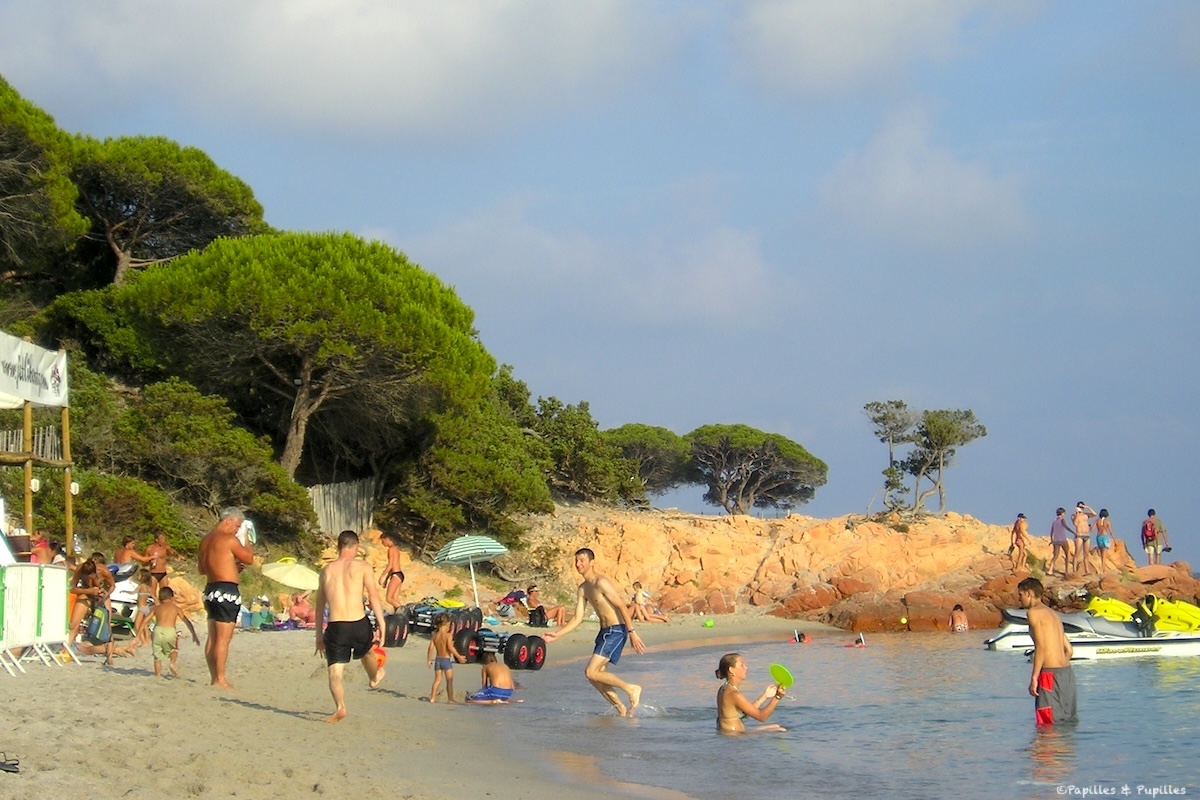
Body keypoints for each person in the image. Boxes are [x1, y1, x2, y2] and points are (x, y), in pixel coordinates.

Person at [543, 548, 645, 716]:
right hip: (604, 632)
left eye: (582, 560)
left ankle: (630, 688)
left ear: (591, 563)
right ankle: (621, 708)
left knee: (590, 671)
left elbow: (621, 606)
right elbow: (577, 618)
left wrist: (632, 632)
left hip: (617, 631)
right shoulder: (583, 588)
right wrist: (558, 634)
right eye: (576, 561)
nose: (578, 564)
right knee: (594, 676)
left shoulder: (601, 582)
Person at [314, 529, 387, 723]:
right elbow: (373, 596)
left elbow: (320, 606)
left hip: (336, 626)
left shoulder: (326, 571)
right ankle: (375, 676)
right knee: (368, 653)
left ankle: (340, 707)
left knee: (335, 672)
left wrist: (319, 637)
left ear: (338, 547)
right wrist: (382, 624)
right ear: (355, 546)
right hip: (358, 622)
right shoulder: (362, 566)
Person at [197, 507, 253, 689]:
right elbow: (249, 558)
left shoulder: (206, 540)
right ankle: (220, 678)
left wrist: (231, 568)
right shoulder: (228, 539)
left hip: (211, 589)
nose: (237, 529)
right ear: (228, 520)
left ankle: (214, 676)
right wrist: (245, 538)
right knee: (223, 639)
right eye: (237, 525)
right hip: (226, 590)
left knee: (213, 637)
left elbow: (203, 569)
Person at [1018, 577, 1077, 725]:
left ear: (1029, 593)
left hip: (1049, 674)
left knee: (1047, 724)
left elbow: (1041, 647)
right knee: (1066, 722)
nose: (1019, 599)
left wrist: (1034, 677)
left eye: (1021, 594)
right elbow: (1069, 650)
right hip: (1066, 673)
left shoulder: (1034, 613)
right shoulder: (1052, 614)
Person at [714, 653, 786, 734]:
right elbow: (762, 717)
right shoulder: (734, 694)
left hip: (731, 734)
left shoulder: (724, 689)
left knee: (776, 727)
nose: (746, 668)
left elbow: (746, 713)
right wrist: (777, 697)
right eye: (742, 665)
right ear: (731, 670)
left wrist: (765, 696)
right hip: (735, 738)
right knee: (781, 731)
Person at [151, 586, 200, 678]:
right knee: (174, 649)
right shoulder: (176, 608)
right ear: (172, 597)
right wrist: (194, 635)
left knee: (157, 655)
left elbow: (145, 621)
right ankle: (172, 663)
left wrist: (138, 636)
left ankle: (157, 675)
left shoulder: (156, 608)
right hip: (170, 631)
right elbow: (186, 621)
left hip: (157, 631)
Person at [427, 613, 466, 702]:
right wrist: (459, 656)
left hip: (438, 660)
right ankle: (450, 699)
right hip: (446, 660)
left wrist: (429, 659)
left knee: (437, 680)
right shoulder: (448, 635)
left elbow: (430, 648)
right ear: (447, 624)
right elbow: (450, 647)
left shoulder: (435, 635)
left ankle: (432, 698)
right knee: (449, 681)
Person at [378, 531, 406, 612]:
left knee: (389, 598)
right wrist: (387, 579)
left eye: (383, 541)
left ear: (387, 539)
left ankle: (403, 612)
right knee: (394, 599)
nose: (382, 543)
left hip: (396, 575)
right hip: (399, 574)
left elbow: (390, 565)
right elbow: (394, 565)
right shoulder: (396, 549)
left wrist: (383, 576)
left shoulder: (391, 549)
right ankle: (397, 616)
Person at [145, 532, 179, 598]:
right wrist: (149, 561)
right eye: (162, 539)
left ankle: (163, 606)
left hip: (163, 573)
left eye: (164, 539)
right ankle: (154, 607)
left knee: (165, 594)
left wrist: (178, 556)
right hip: (153, 573)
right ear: (156, 540)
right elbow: (143, 562)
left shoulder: (165, 547)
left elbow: (173, 552)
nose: (163, 541)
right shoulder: (149, 549)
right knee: (152, 594)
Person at [1071, 502, 1097, 576]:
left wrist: (1087, 507)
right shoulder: (1074, 516)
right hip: (1079, 535)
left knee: (1086, 554)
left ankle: (1087, 570)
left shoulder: (1086, 515)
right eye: (1080, 507)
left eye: (1082, 507)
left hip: (1086, 535)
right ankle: (1074, 570)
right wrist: (1077, 514)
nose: (1081, 509)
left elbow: (1094, 514)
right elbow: (1075, 524)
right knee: (1077, 553)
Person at [1048, 508, 1073, 578]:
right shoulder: (1062, 520)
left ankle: (1050, 570)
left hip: (1056, 540)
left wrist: (1051, 540)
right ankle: (1066, 571)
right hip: (1062, 539)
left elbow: (1051, 531)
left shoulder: (1054, 521)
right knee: (1067, 553)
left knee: (1055, 555)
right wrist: (1073, 532)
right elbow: (1066, 527)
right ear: (1062, 513)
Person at [133, 569, 155, 646]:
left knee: (137, 625)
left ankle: (143, 641)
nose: (137, 576)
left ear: (143, 577)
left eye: (139, 575)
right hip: (147, 608)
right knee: (144, 625)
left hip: (141, 608)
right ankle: (146, 640)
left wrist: (124, 591)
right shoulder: (148, 587)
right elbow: (154, 597)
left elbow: (133, 592)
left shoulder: (141, 586)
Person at [1094, 509, 1115, 573]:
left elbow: (1092, 529)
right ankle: (1103, 570)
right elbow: (1111, 531)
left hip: (1099, 537)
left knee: (1101, 554)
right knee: (1104, 555)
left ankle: (1101, 570)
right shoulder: (1107, 521)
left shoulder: (1097, 521)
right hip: (1105, 537)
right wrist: (1114, 539)